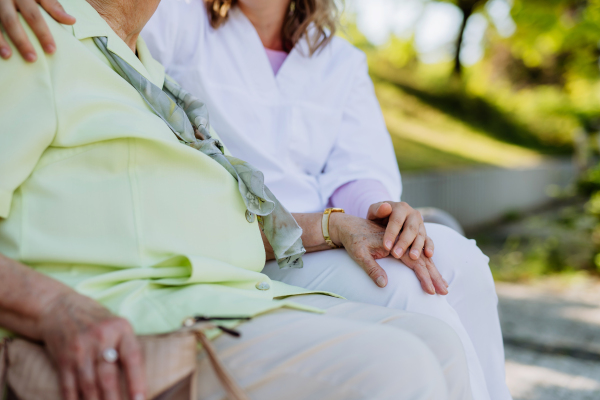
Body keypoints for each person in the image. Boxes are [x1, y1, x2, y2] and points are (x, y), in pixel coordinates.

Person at [0, 0, 512, 399]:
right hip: (198, 287)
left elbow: (357, 168)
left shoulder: (154, 78)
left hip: (258, 258)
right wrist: (48, 306)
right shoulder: (71, 41)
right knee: (409, 316)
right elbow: (94, 21)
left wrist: (356, 218)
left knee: (448, 274)